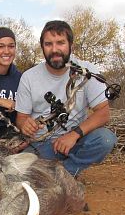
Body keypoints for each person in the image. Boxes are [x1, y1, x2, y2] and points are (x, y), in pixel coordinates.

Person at [15, 20, 117, 176]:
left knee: (105, 139)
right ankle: (61, 174)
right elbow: (21, 118)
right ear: (42, 47)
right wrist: (24, 125)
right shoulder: (29, 77)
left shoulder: (87, 71)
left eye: (60, 43)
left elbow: (103, 113)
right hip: (42, 145)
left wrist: (73, 135)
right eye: (48, 44)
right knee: (20, 171)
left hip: (75, 142)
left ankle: (64, 175)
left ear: (71, 45)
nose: (54, 50)